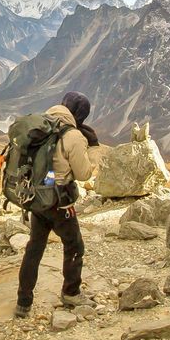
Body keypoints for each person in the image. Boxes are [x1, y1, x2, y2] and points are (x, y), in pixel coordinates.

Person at [15, 90, 101, 318]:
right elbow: (83, 174)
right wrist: (92, 150)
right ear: (80, 114)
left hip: (37, 199)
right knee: (74, 246)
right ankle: (71, 292)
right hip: (59, 202)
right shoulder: (73, 136)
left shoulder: (42, 124)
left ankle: (23, 302)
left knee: (34, 247)